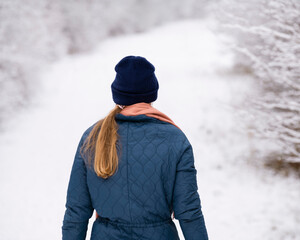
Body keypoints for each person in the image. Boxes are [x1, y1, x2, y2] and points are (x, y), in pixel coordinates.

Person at [61, 56, 209, 240]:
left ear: (116, 94)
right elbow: (189, 212)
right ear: (152, 93)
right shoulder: (175, 139)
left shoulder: (92, 138)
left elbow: (76, 211)